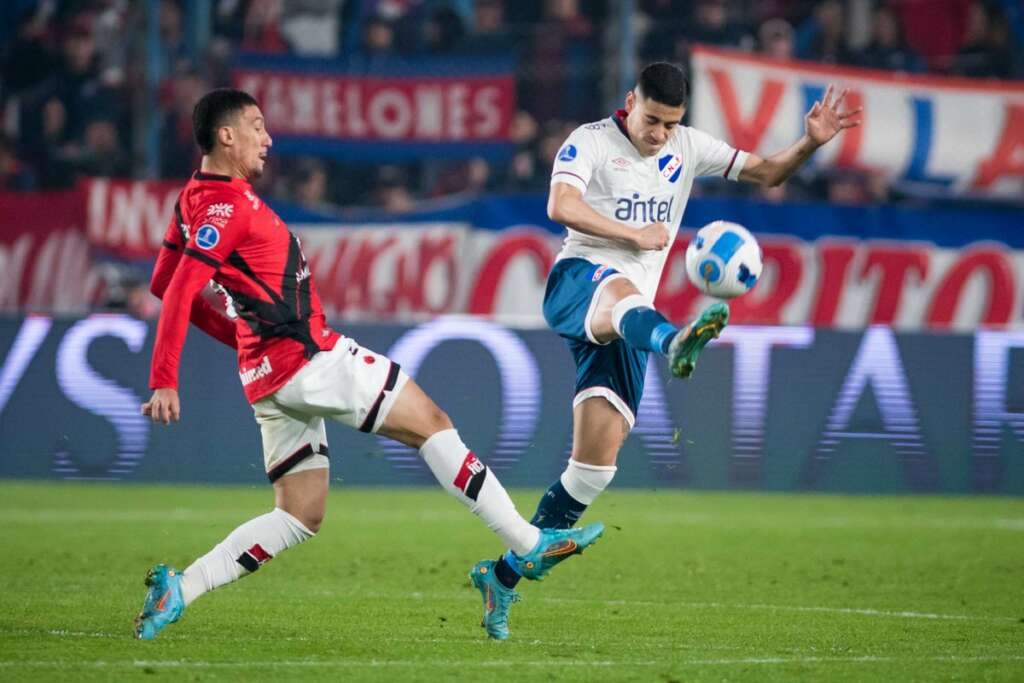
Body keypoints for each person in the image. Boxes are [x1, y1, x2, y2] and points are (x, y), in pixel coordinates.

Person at [133, 88, 605, 640]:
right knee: (432, 425)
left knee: (299, 514)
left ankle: (180, 588)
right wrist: (164, 379)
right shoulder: (226, 207)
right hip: (311, 359)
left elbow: (163, 284)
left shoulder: (193, 198)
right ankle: (528, 546)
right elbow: (182, 286)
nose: (268, 138)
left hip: (266, 379)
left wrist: (238, 336)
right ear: (226, 134)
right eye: (257, 126)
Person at [470, 62, 861, 640]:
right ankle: (674, 341)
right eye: (651, 120)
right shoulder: (591, 142)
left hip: (627, 321)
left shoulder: (688, 147)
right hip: (580, 281)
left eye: (669, 124)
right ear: (630, 101)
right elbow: (560, 206)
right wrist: (632, 236)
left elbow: (769, 173)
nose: (658, 134)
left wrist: (810, 141)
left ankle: (501, 575)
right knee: (623, 293)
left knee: (593, 470)